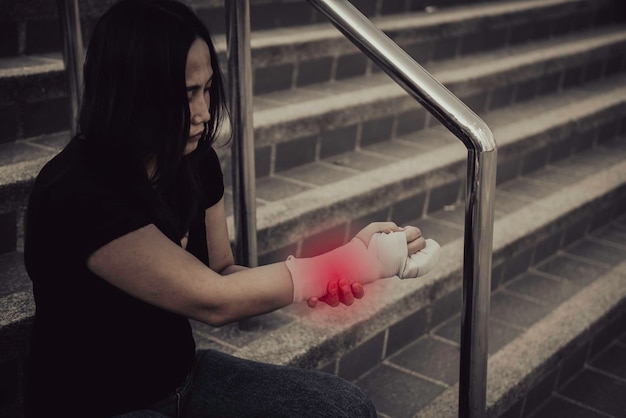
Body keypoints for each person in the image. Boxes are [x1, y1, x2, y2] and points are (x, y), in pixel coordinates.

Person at [23, 0, 436, 416]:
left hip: (184, 379)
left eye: (206, 90)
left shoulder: (194, 161)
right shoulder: (78, 191)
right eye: (186, 95)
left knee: (347, 408)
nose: (203, 112)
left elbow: (222, 272)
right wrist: (340, 266)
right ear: (132, 92)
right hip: (95, 405)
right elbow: (215, 301)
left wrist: (327, 272)